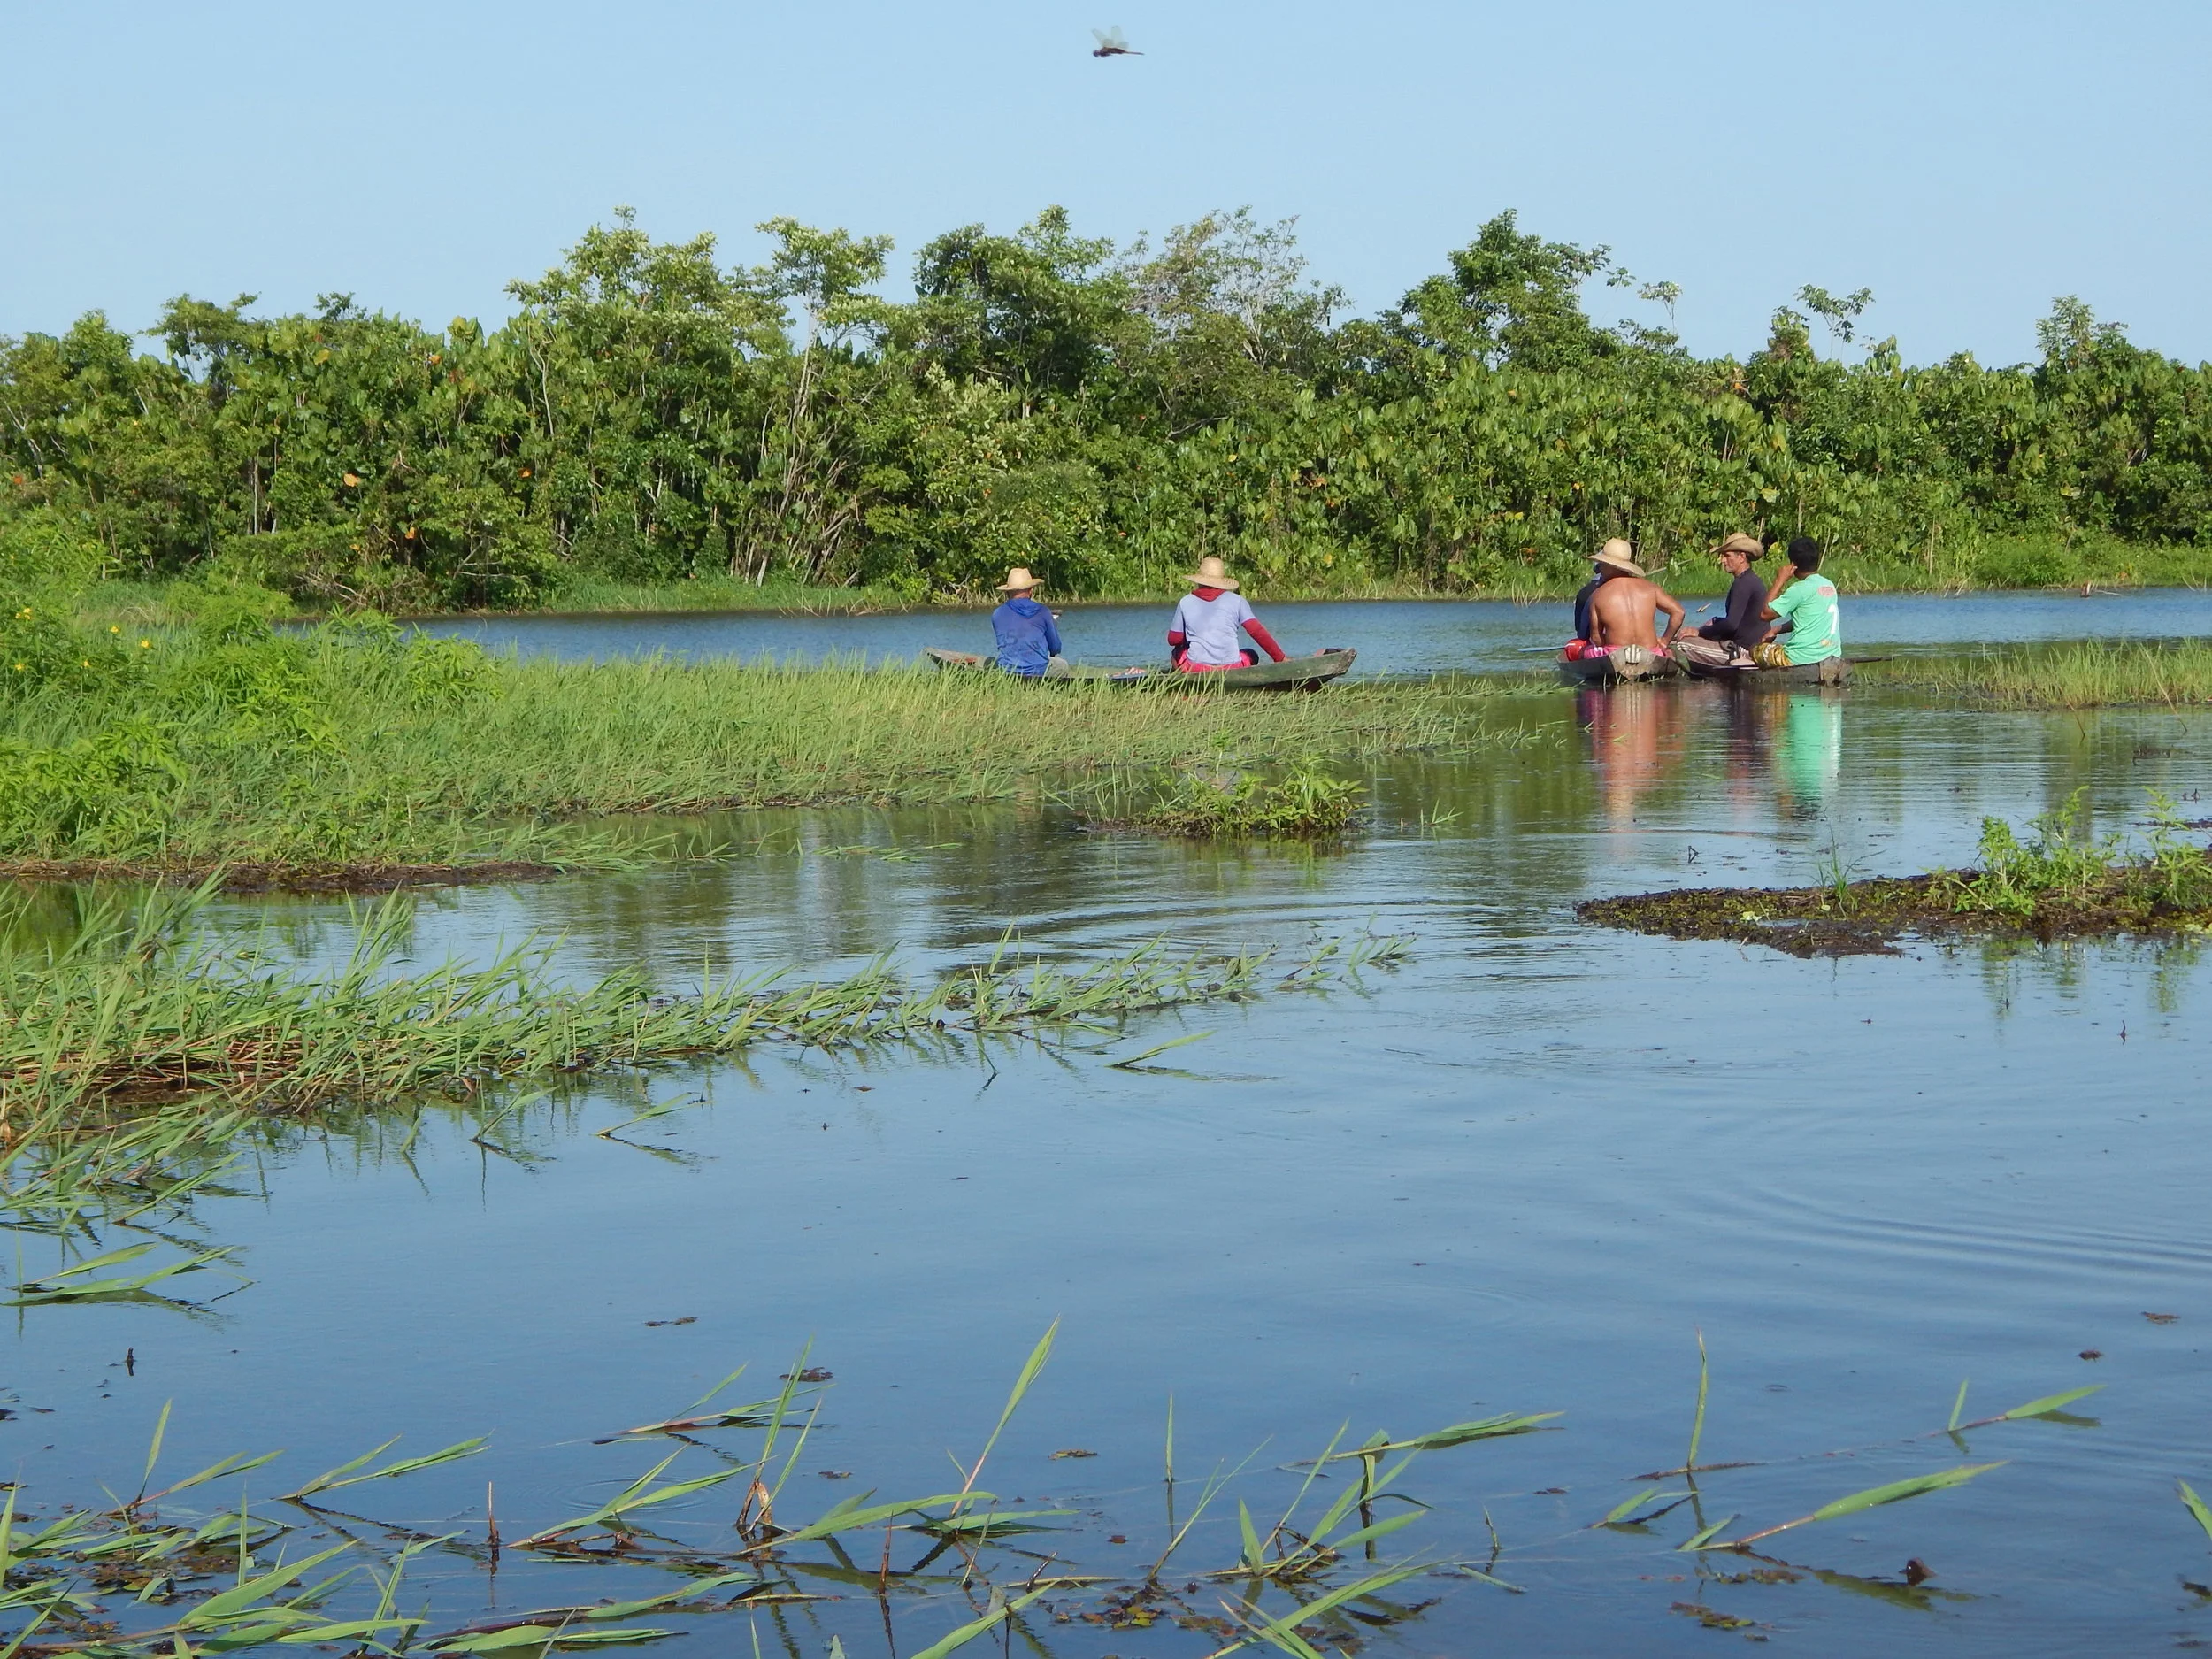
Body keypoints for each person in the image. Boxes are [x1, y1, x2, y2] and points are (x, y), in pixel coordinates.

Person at [1169, 557, 1287, 672]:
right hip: (1231, 667)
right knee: (1252, 654)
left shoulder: (1185, 602)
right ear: (1221, 582)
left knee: (1176, 653)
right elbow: (1257, 632)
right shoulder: (1238, 601)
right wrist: (1280, 658)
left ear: (1199, 581)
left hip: (1196, 667)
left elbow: (1173, 639)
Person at [1671, 532, 1769, 672]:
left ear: (1741, 557)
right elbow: (1739, 621)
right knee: (1680, 637)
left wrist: (1700, 632)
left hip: (1743, 651)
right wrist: (1715, 621)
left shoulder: (1743, 584)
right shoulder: (1750, 580)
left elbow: (1731, 625)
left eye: (1727, 556)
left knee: (1681, 644)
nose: (1723, 560)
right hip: (1749, 646)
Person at [1582, 539, 1686, 664]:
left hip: (1615, 655)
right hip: (1651, 652)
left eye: (1602, 565)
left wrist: (1608, 643)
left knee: (1584, 651)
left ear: (1611, 566)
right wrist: (1664, 641)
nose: (1600, 569)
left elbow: (1596, 639)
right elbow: (1679, 612)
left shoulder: (1598, 595)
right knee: (1669, 652)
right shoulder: (1651, 588)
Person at [1757, 537, 1842, 667]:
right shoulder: (1828, 585)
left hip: (1800, 658)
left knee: (1756, 650)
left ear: (1793, 564)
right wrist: (1776, 630)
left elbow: (1765, 614)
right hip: (1832, 655)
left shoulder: (1798, 590)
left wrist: (1780, 580)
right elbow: (1807, 619)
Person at [990, 566, 1062, 677]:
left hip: (1007, 671)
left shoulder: (997, 614)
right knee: (1062, 665)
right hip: (1039, 671)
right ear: (1031, 590)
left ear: (1007, 593)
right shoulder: (1044, 611)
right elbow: (1056, 647)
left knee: (987, 662)